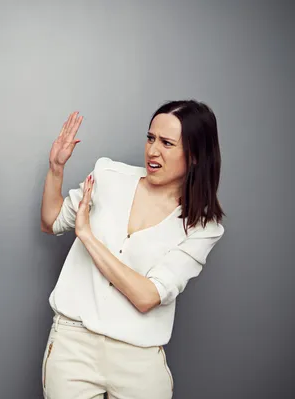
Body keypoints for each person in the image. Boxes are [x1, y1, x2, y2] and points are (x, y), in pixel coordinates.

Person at [40, 100, 225, 399]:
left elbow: (147, 297)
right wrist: (56, 168)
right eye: (151, 138)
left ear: (194, 155)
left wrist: (87, 236)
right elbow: (51, 222)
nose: (153, 151)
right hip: (73, 346)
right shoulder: (109, 175)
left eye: (167, 143)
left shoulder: (204, 227)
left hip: (139, 360)